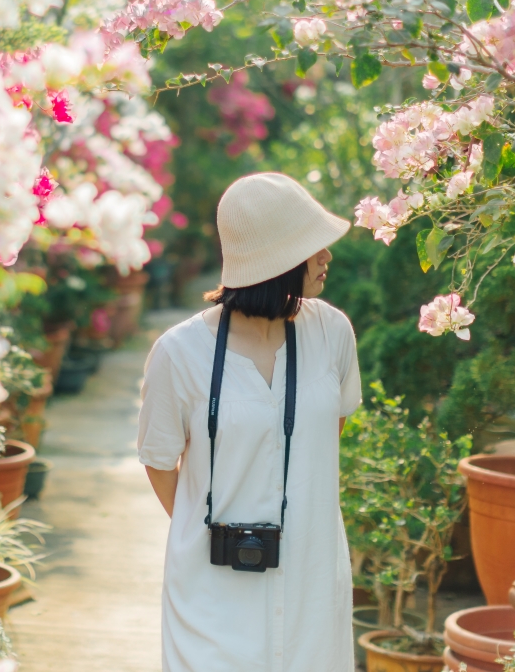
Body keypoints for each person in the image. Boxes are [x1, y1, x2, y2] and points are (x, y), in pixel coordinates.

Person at [138, 172, 361, 672]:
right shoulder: (179, 353)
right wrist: (206, 527)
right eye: (313, 246)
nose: (327, 256)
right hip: (212, 590)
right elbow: (159, 461)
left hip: (312, 579)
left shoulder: (333, 333)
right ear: (277, 259)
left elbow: (326, 433)